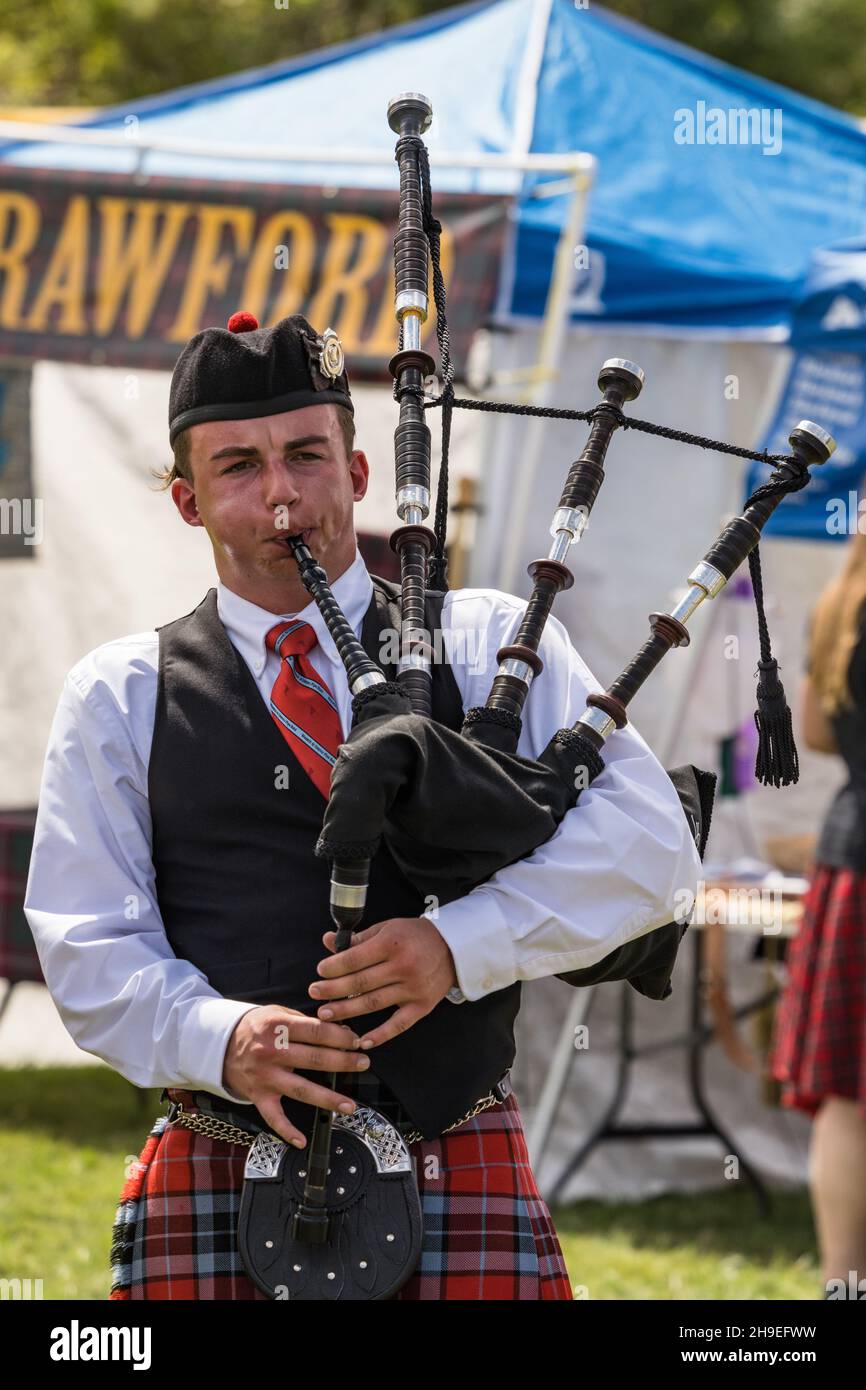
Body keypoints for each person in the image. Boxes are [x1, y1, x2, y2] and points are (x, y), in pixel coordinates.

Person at [24, 312, 702, 1301]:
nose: (282, 493)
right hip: (228, 1151)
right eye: (237, 467)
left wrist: (460, 945)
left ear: (357, 470)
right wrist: (220, 1036)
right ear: (187, 500)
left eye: (307, 453)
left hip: (455, 1139)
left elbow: (652, 851)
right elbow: (87, 942)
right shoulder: (122, 692)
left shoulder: (485, 644)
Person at [769, 529, 866, 1299]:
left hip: (850, 854)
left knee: (848, 1092)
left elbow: (815, 731)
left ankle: (845, 1286)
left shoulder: (839, 605)